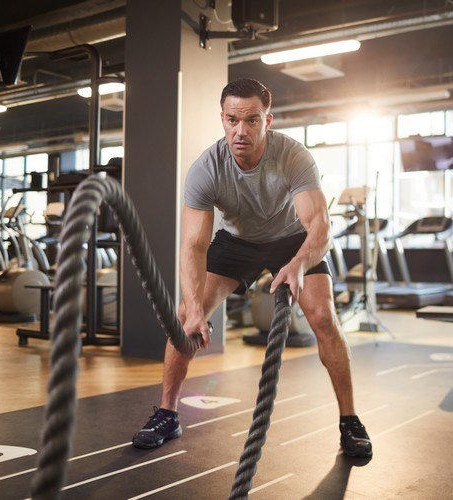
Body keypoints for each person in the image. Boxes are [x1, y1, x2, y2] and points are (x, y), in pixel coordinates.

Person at [131, 79, 372, 458]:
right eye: (232, 120)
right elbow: (193, 245)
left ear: (267, 121)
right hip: (237, 241)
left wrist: (297, 265)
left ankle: (350, 422)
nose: (240, 131)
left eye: (251, 121)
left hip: (292, 238)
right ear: (223, 119)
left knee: (323, 316)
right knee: (183, 317)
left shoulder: (293, 156)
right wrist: (194, 306)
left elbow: (320, 226)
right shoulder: (206, 169)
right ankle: (167, 414)